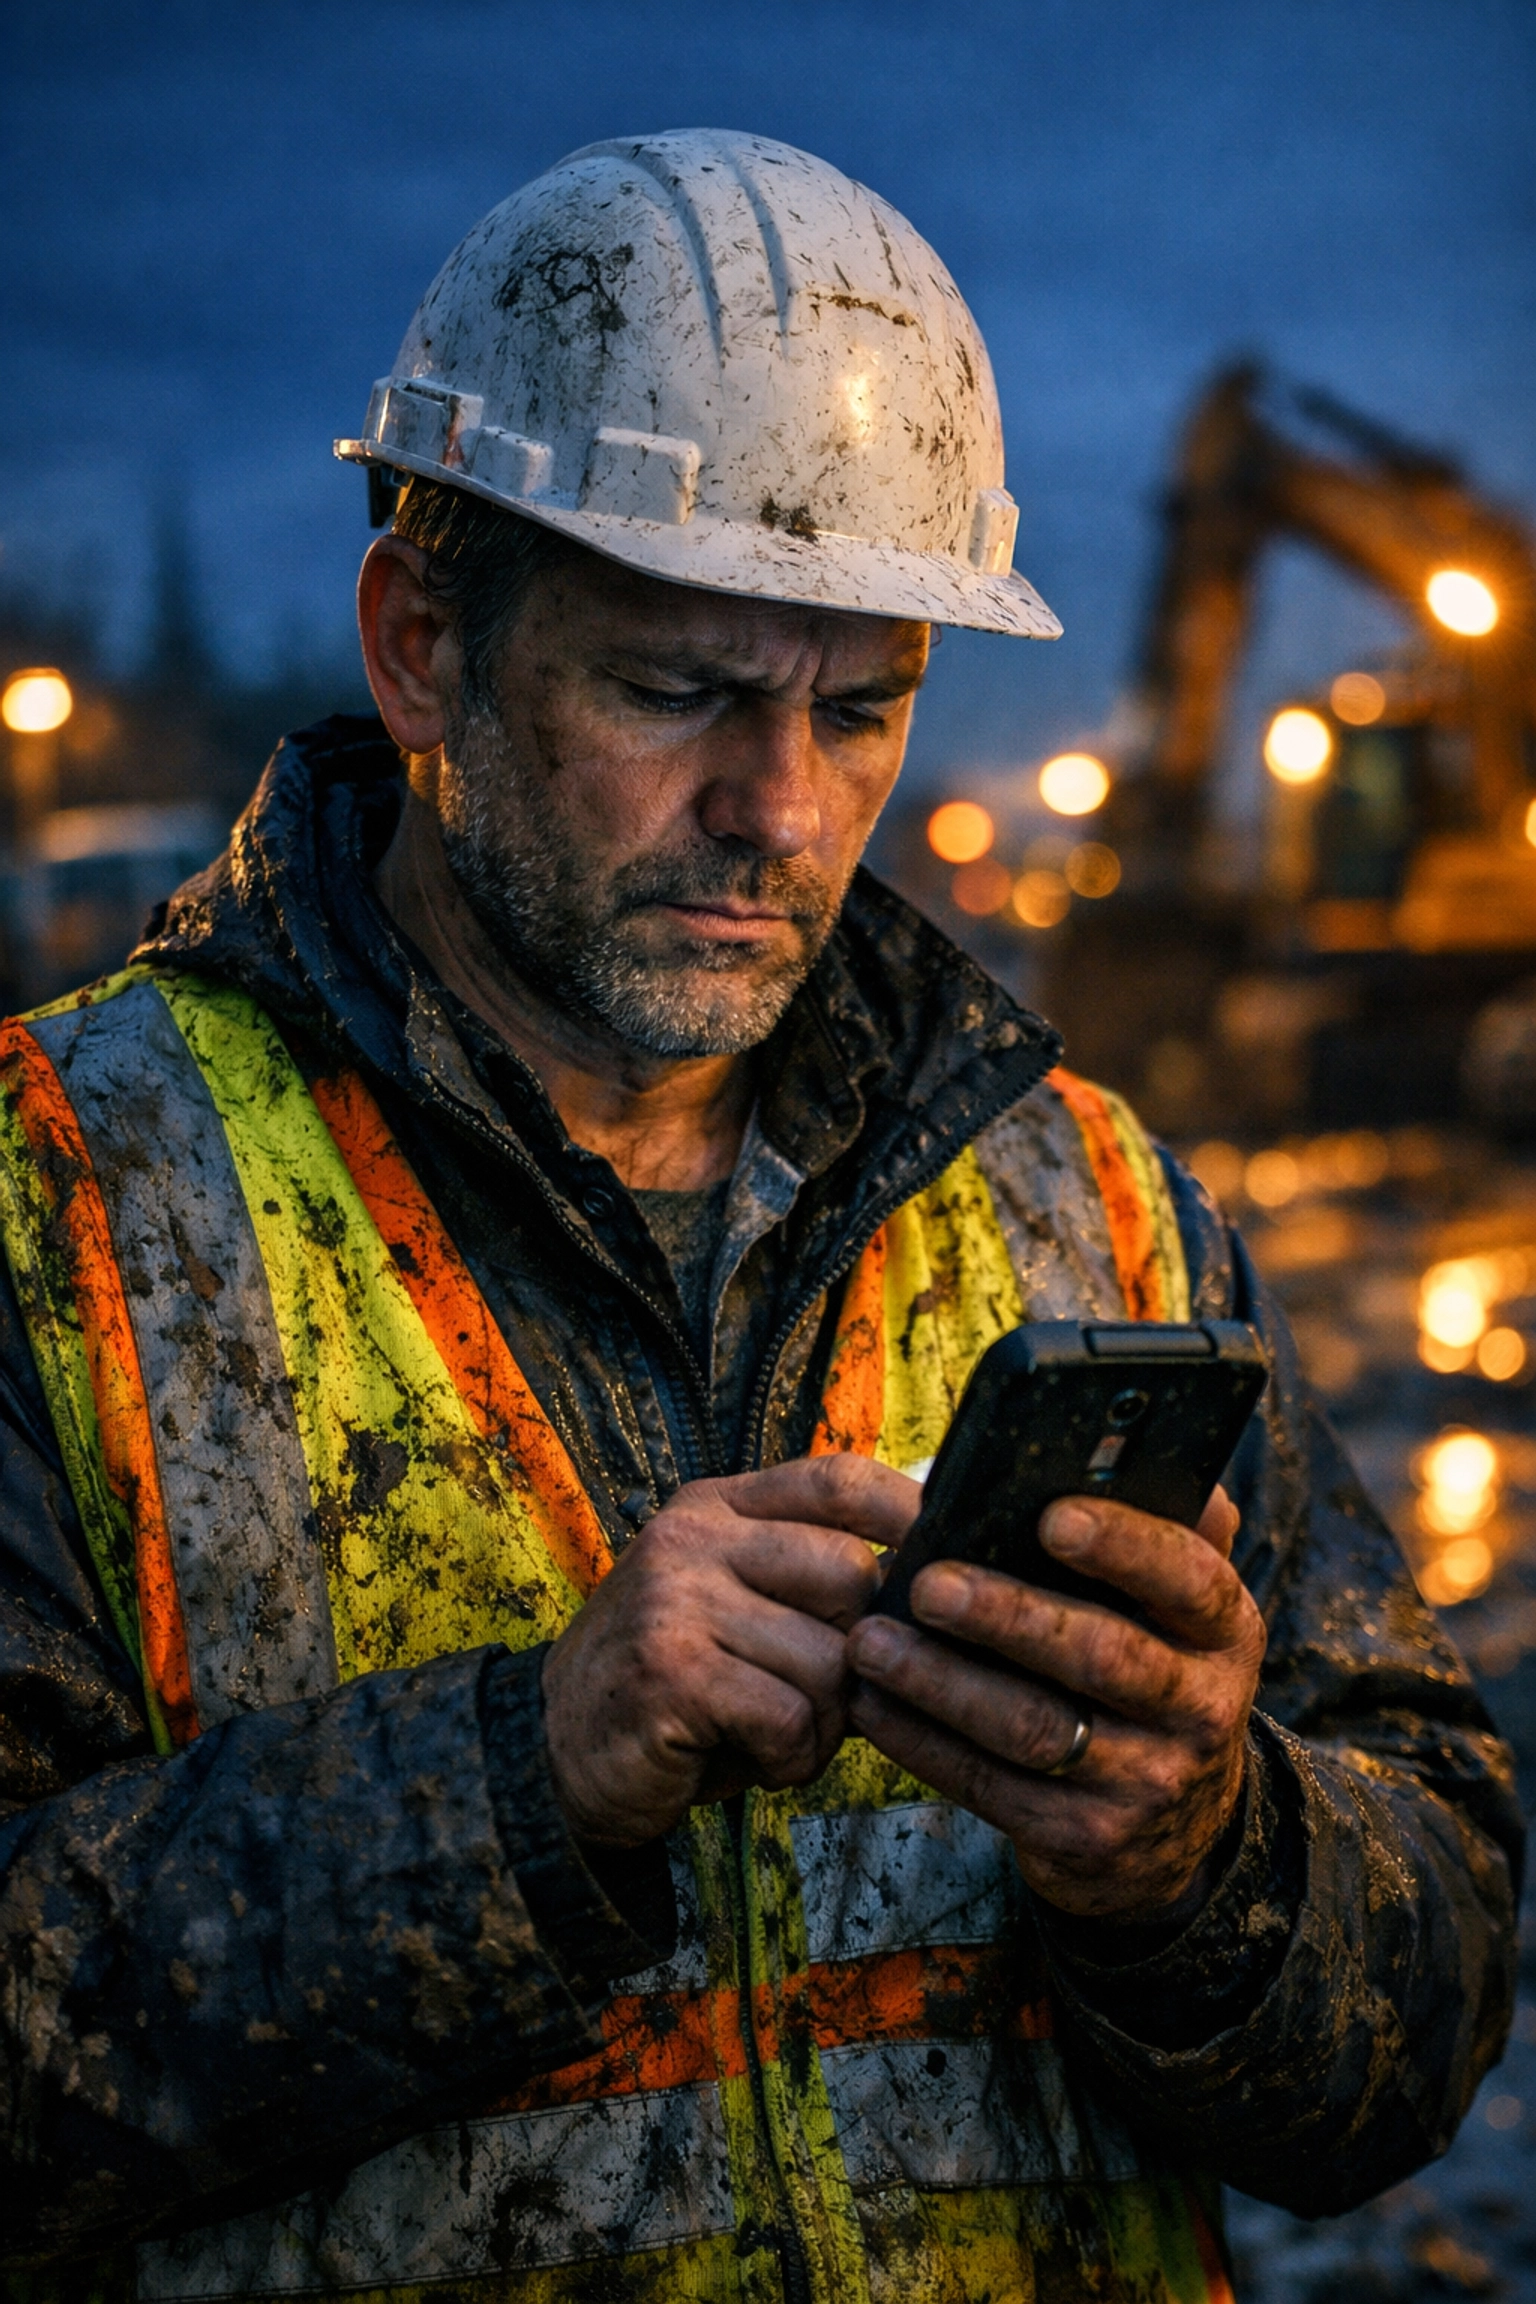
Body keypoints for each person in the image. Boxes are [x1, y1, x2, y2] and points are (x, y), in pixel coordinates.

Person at [0, 130, 1519, 2304]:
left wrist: (1208, 1860)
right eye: (673, 690)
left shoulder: (1092, 1196)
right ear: (420, 648)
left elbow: (1428, 2010)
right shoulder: (63, 1204)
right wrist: (521, 1783)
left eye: (863, 707)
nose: (782, 811)